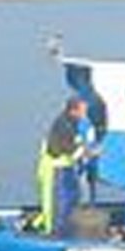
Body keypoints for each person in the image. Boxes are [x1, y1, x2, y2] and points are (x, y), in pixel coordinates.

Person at [34, 94, 96, 234]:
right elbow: (60, 148)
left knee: (70, 200)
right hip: (54, 169)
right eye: (83, 111)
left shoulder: (72, 122)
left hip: (65, 168)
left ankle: (42, 224)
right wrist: (85, 152)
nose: (85, 114)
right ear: (73, 111)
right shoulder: (64, 125)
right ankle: (52, 233)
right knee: (54, 204)